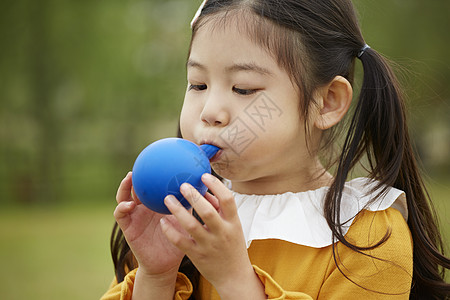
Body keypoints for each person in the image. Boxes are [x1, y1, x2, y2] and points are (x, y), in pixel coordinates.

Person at [101, 0, 450, 299]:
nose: (209, 111)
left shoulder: (368, 235)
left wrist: (234, 280)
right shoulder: (182, 214)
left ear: (326, 102)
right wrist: (157, 276)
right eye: (198, 84)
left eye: (243, 88)